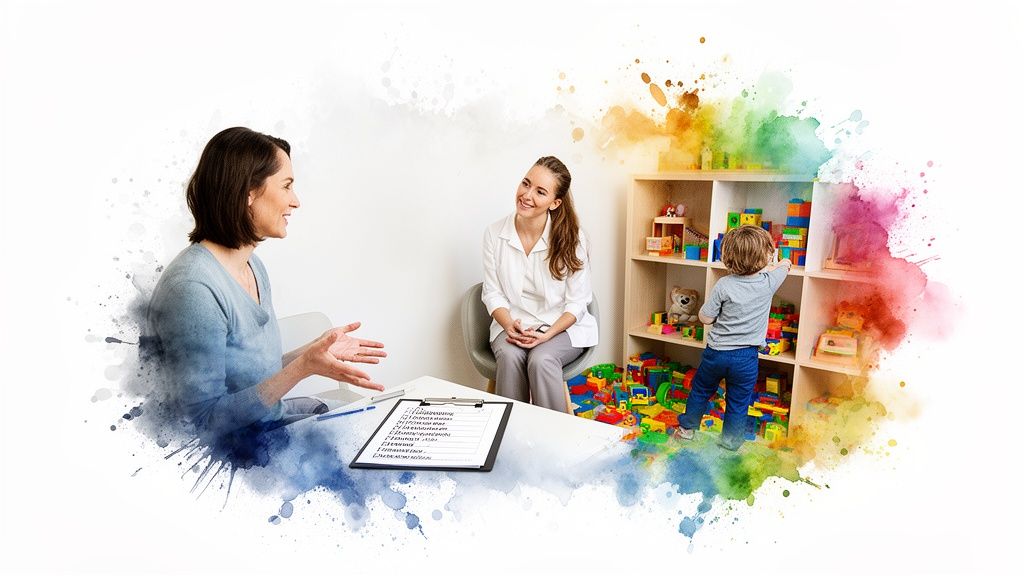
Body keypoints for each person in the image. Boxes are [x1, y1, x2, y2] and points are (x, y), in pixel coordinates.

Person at [145, 127, 386, 440]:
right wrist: (301, 369)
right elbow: (204, 422)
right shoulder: (193, 289)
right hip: (234, 456)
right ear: (248, 192)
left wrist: (310, 354)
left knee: (384, 425)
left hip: (268, 427)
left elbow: (254, 378)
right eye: (286, 186)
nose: (295, 201)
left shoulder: (252, 266)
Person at [481, 156, 598, 411]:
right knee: (511, 357)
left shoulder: (573, 239)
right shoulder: (494, 233)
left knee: (542, 359)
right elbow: (492, 294)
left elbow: (577, 303)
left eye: (540, 192)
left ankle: (553, 440)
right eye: (526, 183)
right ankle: (511, 436)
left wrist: (547, 334)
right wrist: (509, 325)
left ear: (555, 203)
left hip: (561, 328)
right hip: (513, 324)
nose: (526, 195)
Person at [675, 225, 791, 450]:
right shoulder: (769, 282)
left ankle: (687, 429)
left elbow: (706, 318)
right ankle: (729, 443)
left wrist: (705, 314)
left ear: (727, 257)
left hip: (716, 354)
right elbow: (784, 268)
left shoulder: (724, 284)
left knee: (701, 391)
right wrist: (783, 263)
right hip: (746, 358)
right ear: (766, 256)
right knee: (738, 402)